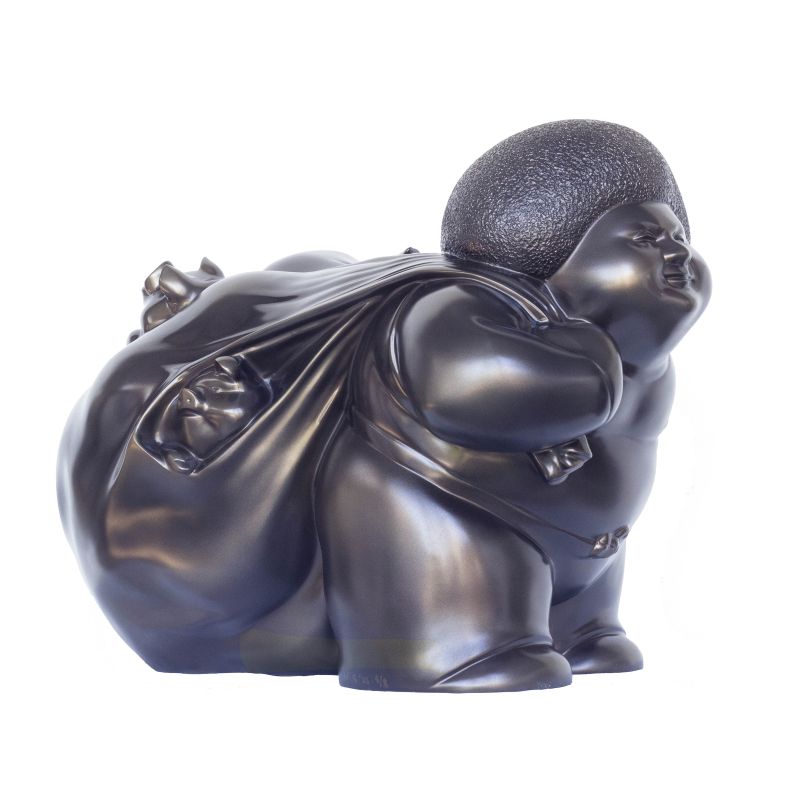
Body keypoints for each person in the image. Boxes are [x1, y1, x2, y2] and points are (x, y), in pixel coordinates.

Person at [58, 120, 710, 691]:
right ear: (559, 253)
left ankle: (578, 627)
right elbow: (458, 388)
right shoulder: (458, 307)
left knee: (570, 542)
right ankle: (448, 643)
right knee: (428, 509)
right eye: (644, 238)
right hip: (435, 517)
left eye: (679, 235)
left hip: (572, 529)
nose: (676, 252)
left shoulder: (634, 356)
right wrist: (586, 371)